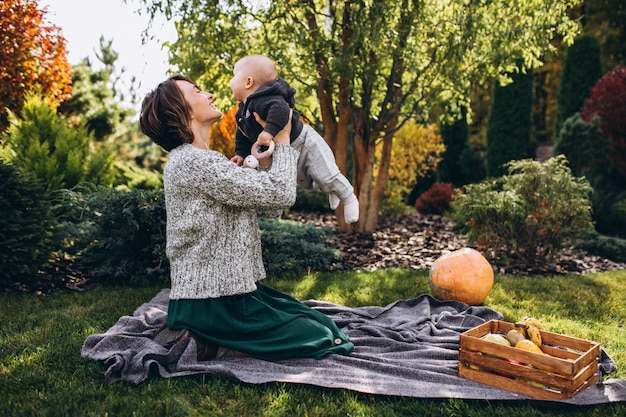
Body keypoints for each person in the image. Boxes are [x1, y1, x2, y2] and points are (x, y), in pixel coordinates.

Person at [139, 74, 354, 361]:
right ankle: (214, 338)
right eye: (197, 91)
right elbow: (280, 196)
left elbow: (268, 206)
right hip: (212, 303)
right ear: (182, 110)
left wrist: (261, 166)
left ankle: (220, 338)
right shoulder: (192, 162)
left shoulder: (202, 160)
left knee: (320, 323)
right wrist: (284, 141)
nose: (209, 95)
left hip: (230, 293)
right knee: (323, 338)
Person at [229, 54, 360, 224]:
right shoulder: (242, 112)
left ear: (248, 82)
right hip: (285, 151)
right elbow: (242, 135)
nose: (230, 81)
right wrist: (240, 153)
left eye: (233, 75)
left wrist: (268, 132)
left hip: (304, 142)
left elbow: (282, 112)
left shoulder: (266, 98)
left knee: (327, 174)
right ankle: (332, 190)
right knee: (308, 181)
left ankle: (349, 197)